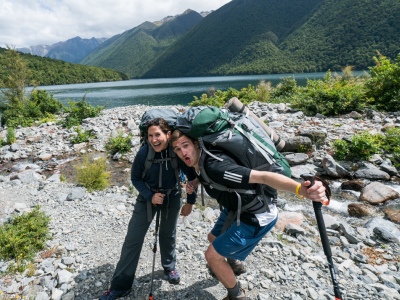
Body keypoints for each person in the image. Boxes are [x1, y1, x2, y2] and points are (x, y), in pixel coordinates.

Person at [171, 130, 328, 300]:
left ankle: (236, 295)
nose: (183, 152)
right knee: (212, 237)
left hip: (255, 216)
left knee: (211, 256)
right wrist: (195, 182)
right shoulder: (202, 160)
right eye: (177, 149)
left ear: (196, 143)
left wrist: (300, 189)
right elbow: (207, 176)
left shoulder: (215, 166)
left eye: (185, 145)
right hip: (235, 208)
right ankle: (234, 265)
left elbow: (264, 177)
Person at [100, 119, 197, 300]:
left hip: (172, 196)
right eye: (150, 136)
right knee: (133, 239)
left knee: (168, 234)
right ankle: (120, 285)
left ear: (168, 134)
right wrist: (149, 195)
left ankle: (169, 267)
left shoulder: (176, 152)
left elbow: (192, 176)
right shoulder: (144, 152)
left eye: (158, 135)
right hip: (146, 199)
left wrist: (190, 201)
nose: (154, 140)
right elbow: (135, 178)